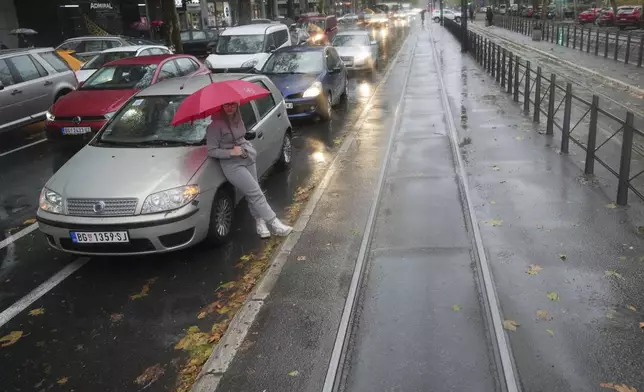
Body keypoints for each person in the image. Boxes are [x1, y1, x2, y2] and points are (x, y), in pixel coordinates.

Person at [206, 101, 293, 239]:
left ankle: (260, 222)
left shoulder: (237, 118)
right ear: (221, 106)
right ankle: (275, 223)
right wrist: (231, 152)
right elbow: (211, 151)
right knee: (256, 192)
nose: (230, 108)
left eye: (233, 105)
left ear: (237, 105)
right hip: (232, 165)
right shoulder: (215, 126)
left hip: (247, 157)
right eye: (226, 105)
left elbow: (241, 137)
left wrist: (245, 146)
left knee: (252, 192)